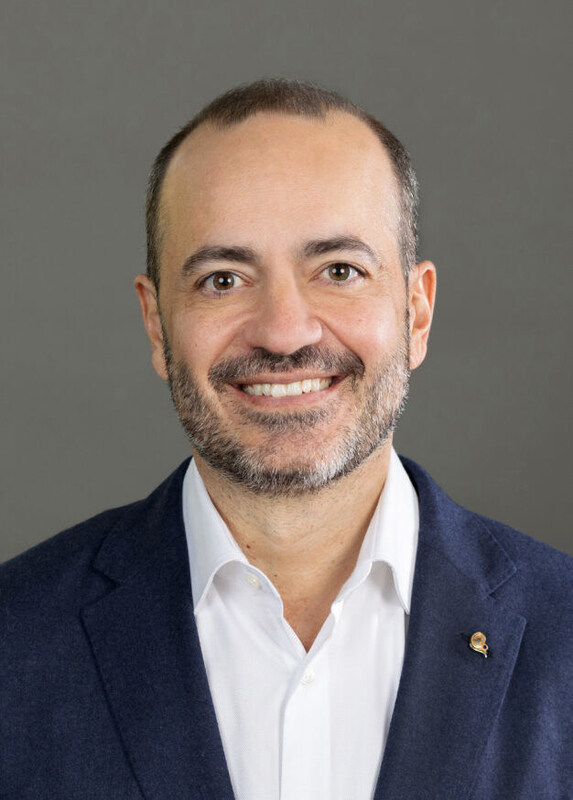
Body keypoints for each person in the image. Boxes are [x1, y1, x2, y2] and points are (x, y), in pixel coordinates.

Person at [1, 79, 571, 800]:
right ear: (156, 325)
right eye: (223, 280)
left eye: (339, 271)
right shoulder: (15, 644)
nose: (283, 332)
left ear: (417, 312)